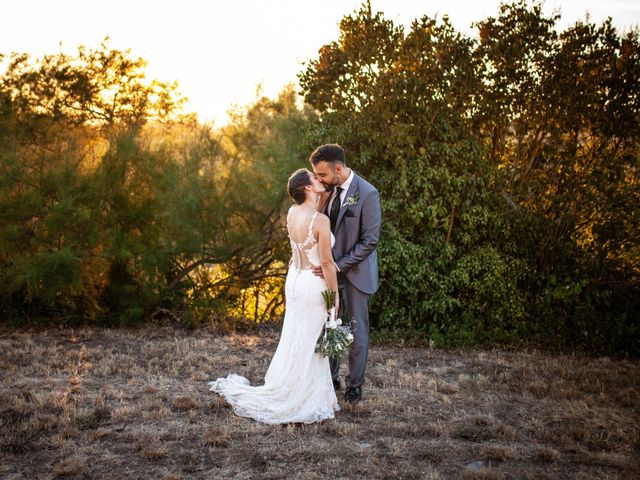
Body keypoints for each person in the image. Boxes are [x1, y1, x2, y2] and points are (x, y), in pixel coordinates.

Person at [208, 169, 340, 424]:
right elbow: (325, 261)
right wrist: (335, 296)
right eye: (315, 178)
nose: (320, 179)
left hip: (294, 279)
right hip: (313, 284)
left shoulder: (292, 213)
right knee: (310, 340)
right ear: (308, 188)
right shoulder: (321, 221)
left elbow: (298, 245)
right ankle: (301, 397)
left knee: (295, 336)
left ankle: (291, 387)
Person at [309, 144, 381, 404]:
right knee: (329, 325)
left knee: (356, 329)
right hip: (329, 273)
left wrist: (339, 265)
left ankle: (355, 386)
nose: (318, 179)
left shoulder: (368, 193)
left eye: (322, 175)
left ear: (338, 168)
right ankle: (331, 378)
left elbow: (370, 241)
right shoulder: (326, 193)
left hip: (356, 273)